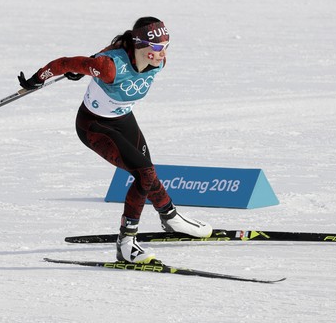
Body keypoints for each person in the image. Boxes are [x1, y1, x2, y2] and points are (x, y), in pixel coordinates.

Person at [18, 17, 212, 264]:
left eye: (166, 46)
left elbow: (101, 56)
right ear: (139, 45)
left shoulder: (158, 63)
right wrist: (37, 79)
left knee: (148, 174)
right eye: (155, 48)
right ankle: (126, 244)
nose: (161, 53)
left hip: (123, 119)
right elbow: (66, 63)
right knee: (144, 173)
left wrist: (90, 64)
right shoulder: (110, 67)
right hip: (94, 125)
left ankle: (171, 218)